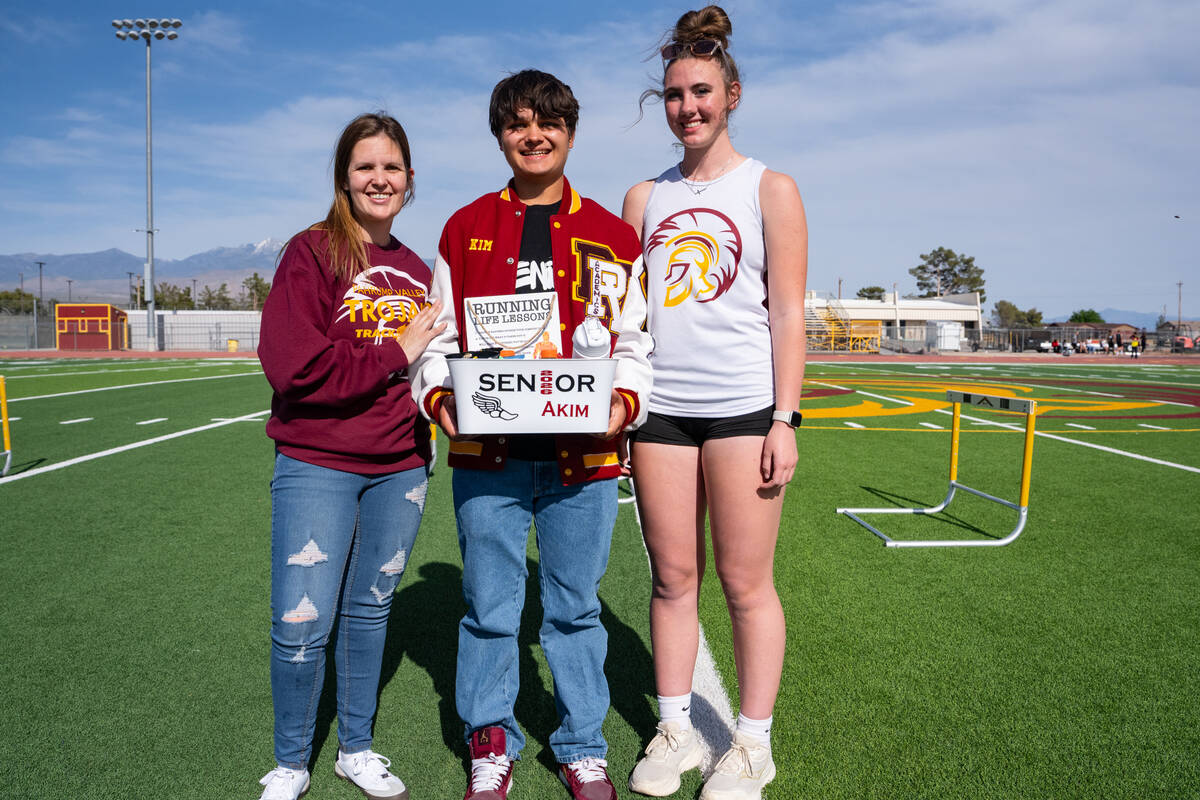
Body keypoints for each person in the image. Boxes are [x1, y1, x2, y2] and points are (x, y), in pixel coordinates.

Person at [409, 70, 652, 800]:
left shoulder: (612, 233)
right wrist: (438, 394)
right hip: (491, 455)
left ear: (571, 132)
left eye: (547, 122)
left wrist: (625, 404)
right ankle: (492, 738)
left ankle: (580, 744)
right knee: (490, 609)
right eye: (517, 123)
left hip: (585, 458)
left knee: (575, 607)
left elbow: (634, 340)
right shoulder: (461, 226)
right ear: (499, 136)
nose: (533, 135)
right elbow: (436, 333)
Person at [620, 6, 807, 799]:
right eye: (672, 94)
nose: (686, 107)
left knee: (744, 582)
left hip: (743, 413)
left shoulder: (772, 187)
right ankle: (676, 731)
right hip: (660, 416)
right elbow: (623, 316)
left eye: (700, 91)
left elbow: (790, 312)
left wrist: (784, 419)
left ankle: (752, 746)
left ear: (731, 93)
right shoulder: (641, 199)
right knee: (671, 578)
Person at [256, 113, 445, 800]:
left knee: (371, 610)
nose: (379, 179)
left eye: (391, 167)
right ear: (343, 177)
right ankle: (290, 759)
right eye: (365, 166)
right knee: (301, 617)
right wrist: (393, 353)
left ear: (410, 179)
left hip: (401, 464)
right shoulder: (312, 253)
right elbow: (292, 365)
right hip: (318, 460)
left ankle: (356, 747)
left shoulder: (419, 270)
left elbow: (434, 370)